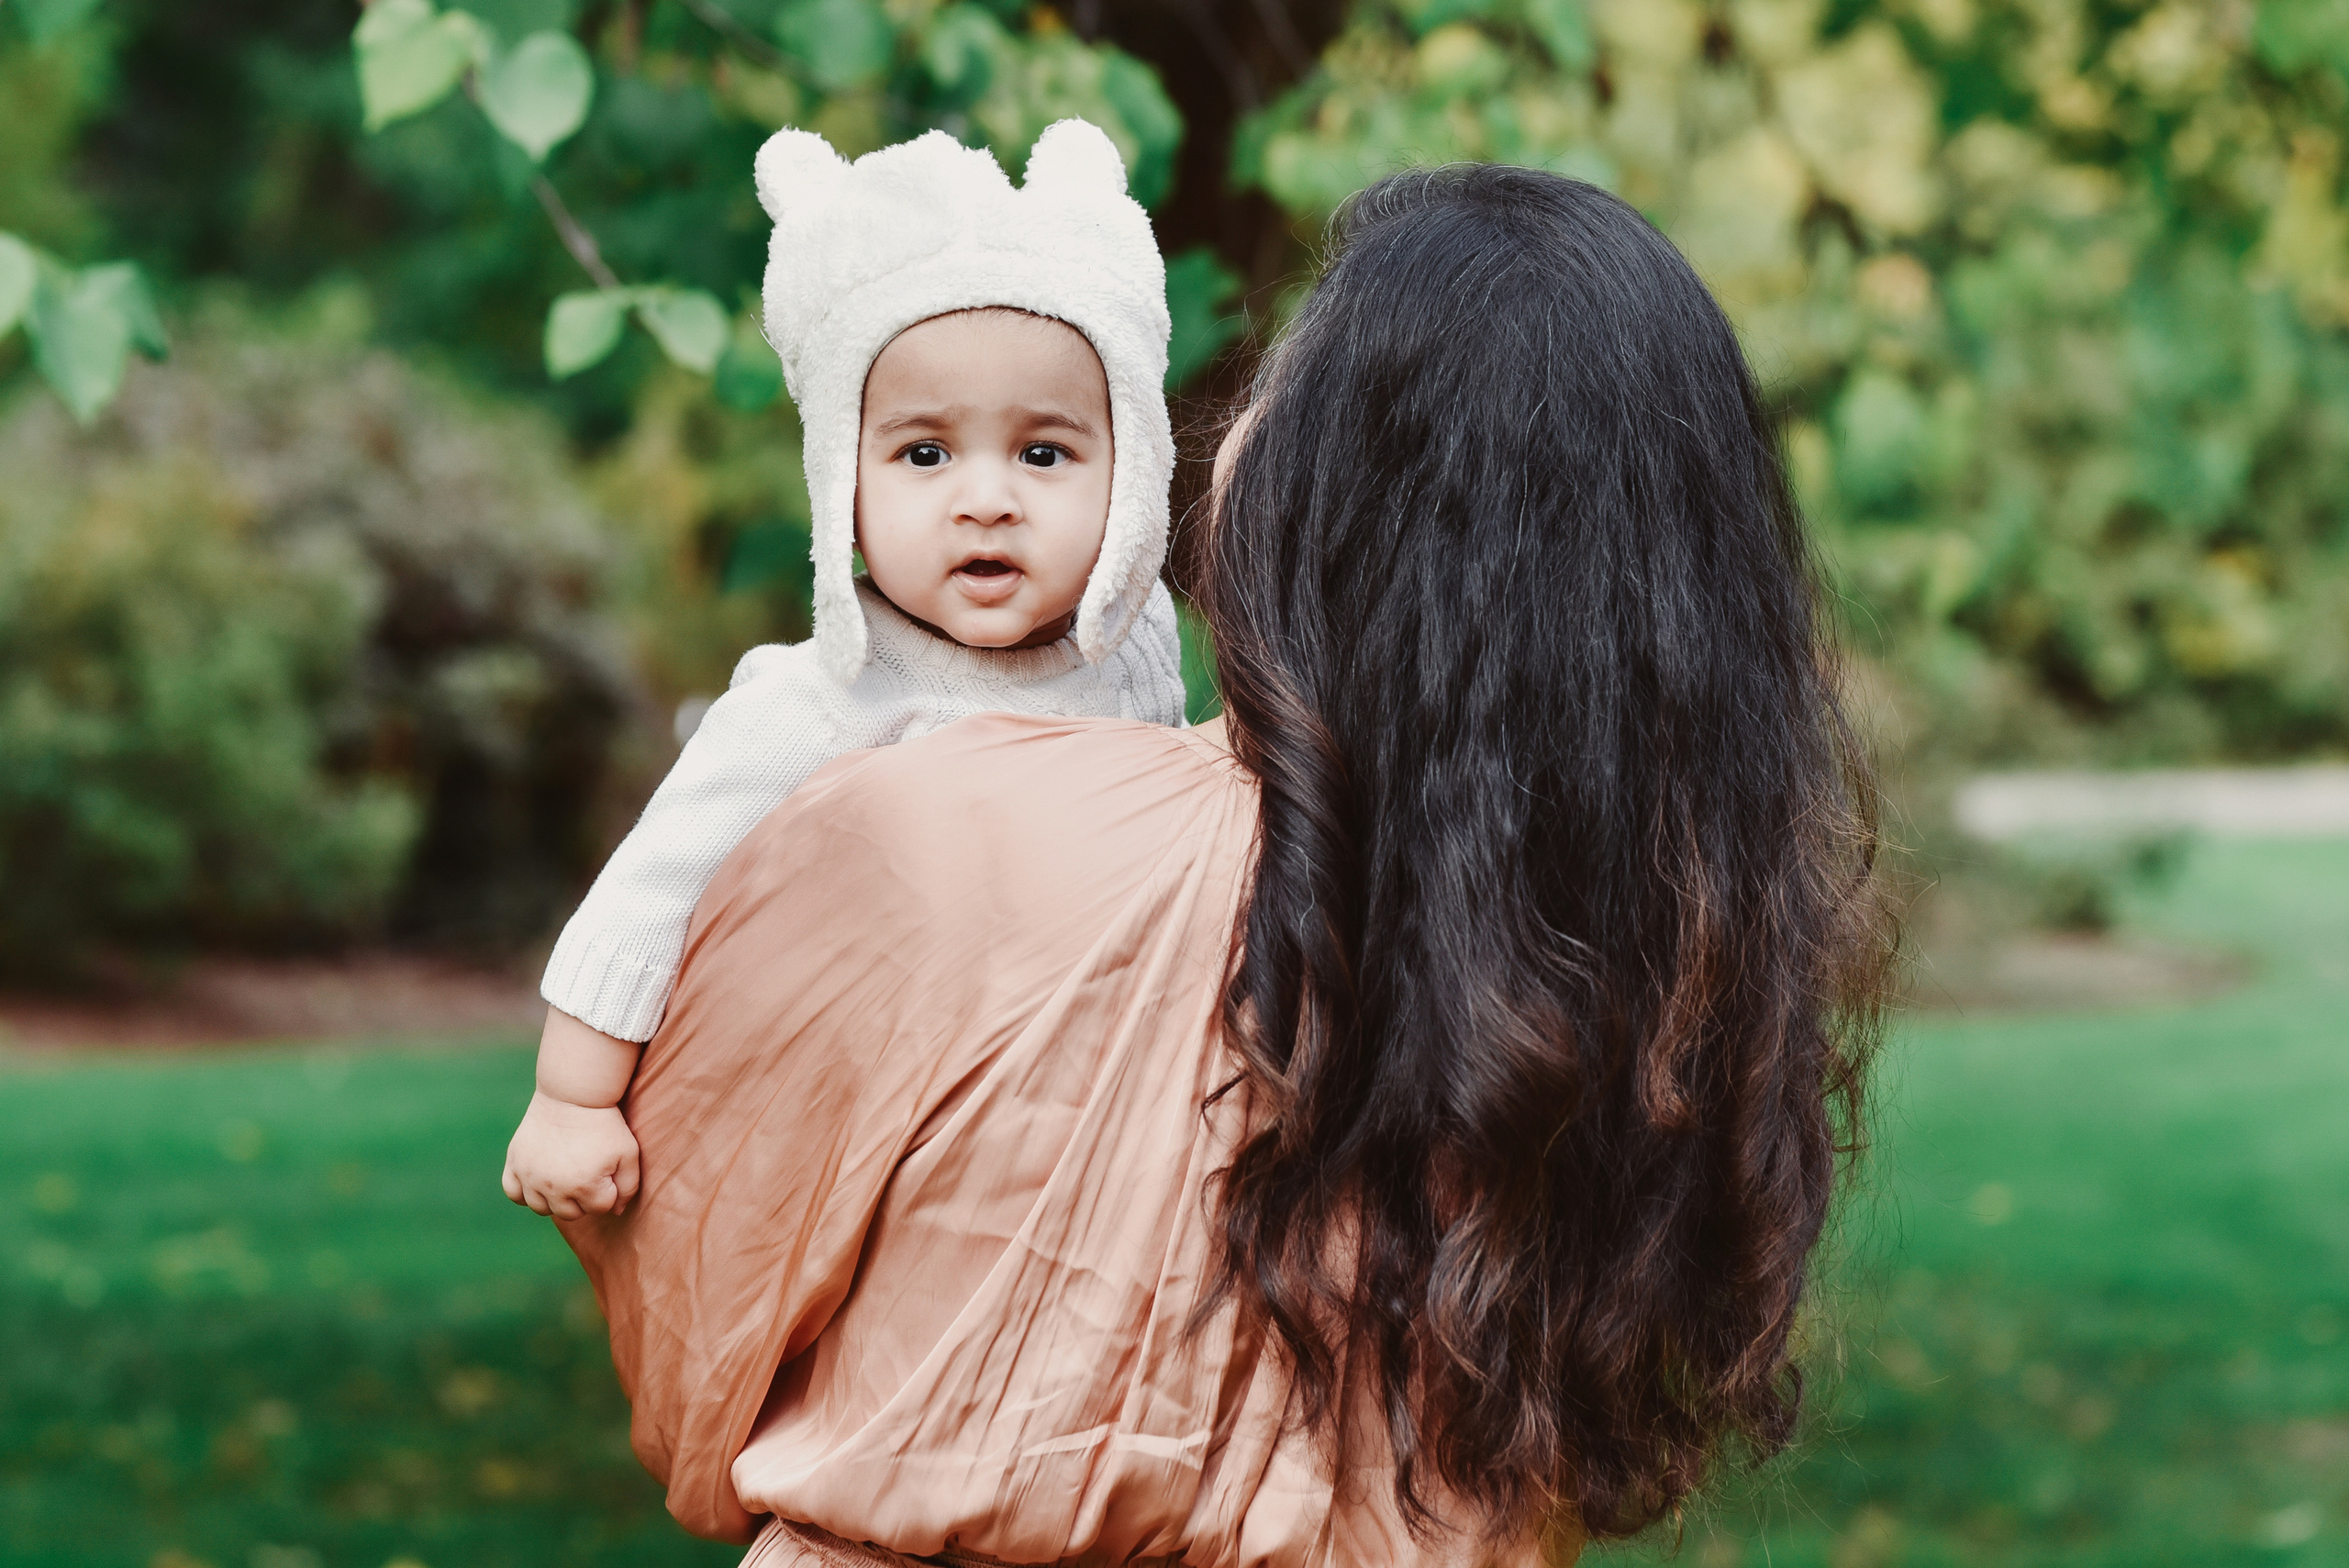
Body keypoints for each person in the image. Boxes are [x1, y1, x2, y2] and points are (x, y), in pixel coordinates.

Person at [541, 165, 1889, 1567]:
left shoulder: (934, 827)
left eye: (1271, 392)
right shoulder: (1633, 994)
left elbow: (690, 1293)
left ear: (1320, 490)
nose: (1229, 426)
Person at [504, 120, 1189, 1216]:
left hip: (1102, 1103)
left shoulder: (1139, 649)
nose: (986, 497)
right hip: (898, 1122)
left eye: (1044, 453)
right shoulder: (823, 697)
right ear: (843, 491)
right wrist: (572, 1099)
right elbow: (653, 886)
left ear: (1132, 474)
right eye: (924, 454)